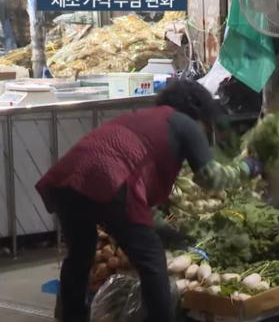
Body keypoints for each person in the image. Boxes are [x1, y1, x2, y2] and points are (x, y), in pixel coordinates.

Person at [35, 79, 262, 322]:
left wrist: (161, 228)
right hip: (110, 180)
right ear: (198, 107)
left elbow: (136, 180)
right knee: (152, 260)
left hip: (69, 179)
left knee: (80, 252)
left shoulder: (145, 117)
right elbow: (211, 178)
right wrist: (248, 167)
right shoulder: (185, 124)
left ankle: (71, 317)